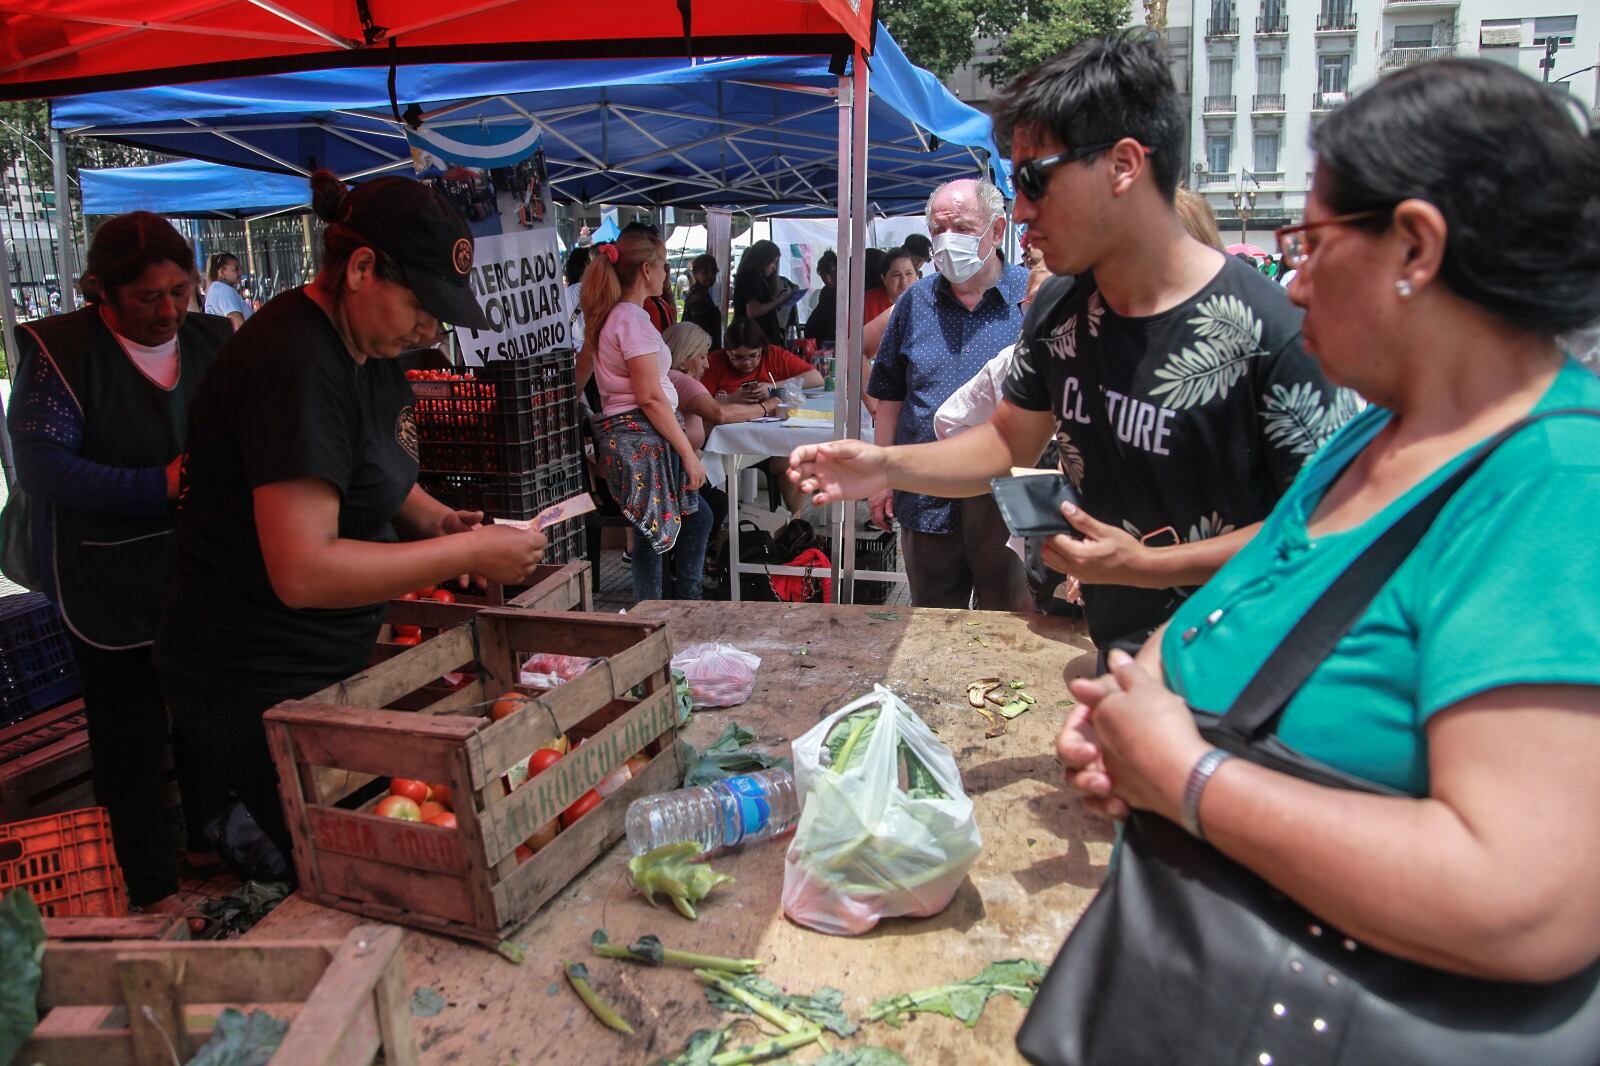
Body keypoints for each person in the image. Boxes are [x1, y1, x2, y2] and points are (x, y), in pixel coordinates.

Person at [1057, 57, 1600, 1033]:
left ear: (1416, 248)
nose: (1292, 281)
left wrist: (1187, 777)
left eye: (1308, 243)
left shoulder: (1554, 483)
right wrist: (1137, 733)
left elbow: (1525, 900)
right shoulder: (1375, 433)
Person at [793, 34, 1353, 649]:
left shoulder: (1272, 331)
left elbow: (1327, 528)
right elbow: (1007, 440)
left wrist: (1144, 565)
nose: (1023, 210)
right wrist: (887, 465)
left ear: (1124, 166)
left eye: (1035, 180)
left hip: (1235, 675)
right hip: (1112, 664)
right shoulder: (1060, 310)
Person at [154, 174, 547, 867]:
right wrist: (478, 551)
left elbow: (374, 471)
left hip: (323, 665)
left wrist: (439, 521)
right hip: (254, 676)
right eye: (423, 305)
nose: (434, 328)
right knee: (355, 864)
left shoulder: (365, 349)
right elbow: (305, 570)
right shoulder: (295, 363)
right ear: (361, 269)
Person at [8, 212, 234, 916]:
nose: (168, 310)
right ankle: (151, 888)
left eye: (181, 291)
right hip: (102, 576)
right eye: (148, 298)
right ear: (99, 291)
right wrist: (157, 486)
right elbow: (43, 469)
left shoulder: (211, 340)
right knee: (130, 733)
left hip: (199, 563)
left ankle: (211, 845)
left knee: (206, 714)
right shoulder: (62, 353)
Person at [846, 177, 1031, 611]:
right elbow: (889, 394)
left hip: (1005, 496)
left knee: (1008, 622)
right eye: (938, 230)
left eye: (963, 229)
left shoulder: (1031, 298)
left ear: (997, 230)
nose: (948, 242)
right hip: (925, 493)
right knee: (931, 620)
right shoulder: (915, 302)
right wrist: (882, 476)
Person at [577, 232, 712, 602]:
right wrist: (686, 452)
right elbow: (650, 397)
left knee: (676, 524)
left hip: (636, 438)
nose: (668, 274)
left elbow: (582, 372)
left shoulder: (611, 316)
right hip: (644, 438)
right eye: (665, 265)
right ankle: (669, 609)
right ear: (647, 269)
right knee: (658, 532)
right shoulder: (631, 320)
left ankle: (674, 605)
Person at [732, 240, 793, 343]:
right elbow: (753, 311)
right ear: (764, 259)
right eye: (773, 262)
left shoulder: (755, 278)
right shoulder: (751, 278)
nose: (774, 267)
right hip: (754, 338)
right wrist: (778, 300)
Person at [682, 253, 723, 349]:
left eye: (713, 272)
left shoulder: (699, 293)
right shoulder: (698, 298)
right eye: (705, 273)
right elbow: (700, 330)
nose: (710, 276)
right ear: (695, 274)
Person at [203, 252, 252, 330]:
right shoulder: (224, 291)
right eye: (236, 269)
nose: (240, 272)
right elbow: (238, 324)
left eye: (240, 269)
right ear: (222, 272)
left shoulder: (213, 290)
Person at [803, 249, 837, 344]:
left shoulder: (847, 292)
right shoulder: (826, 292)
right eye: (822, 277)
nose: (827, 280)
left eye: (830, 274)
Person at [563, 245, 591, 350]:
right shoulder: (592, 289)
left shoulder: (566, 293)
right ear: (586, 264)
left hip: (576, 353)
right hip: (594, 352)